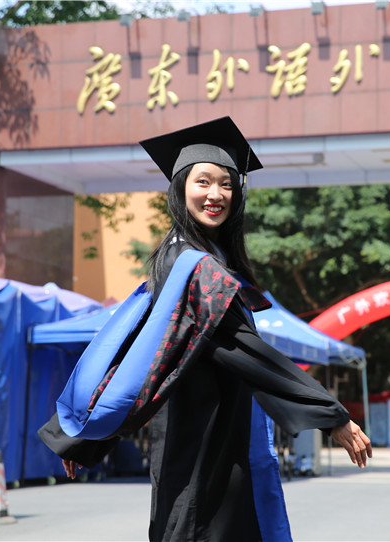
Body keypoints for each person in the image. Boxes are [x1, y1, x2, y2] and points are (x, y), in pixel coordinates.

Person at [39, 116, 371, 542]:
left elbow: (143, 353)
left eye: (226, 184)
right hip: (204, 442)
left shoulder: (190, 256)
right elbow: (244, 350)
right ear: (180, 188)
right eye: (203, 182)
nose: (216, 194)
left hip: (203, 434)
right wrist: (331, 414)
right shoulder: (195, 267)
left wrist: (80, 440)